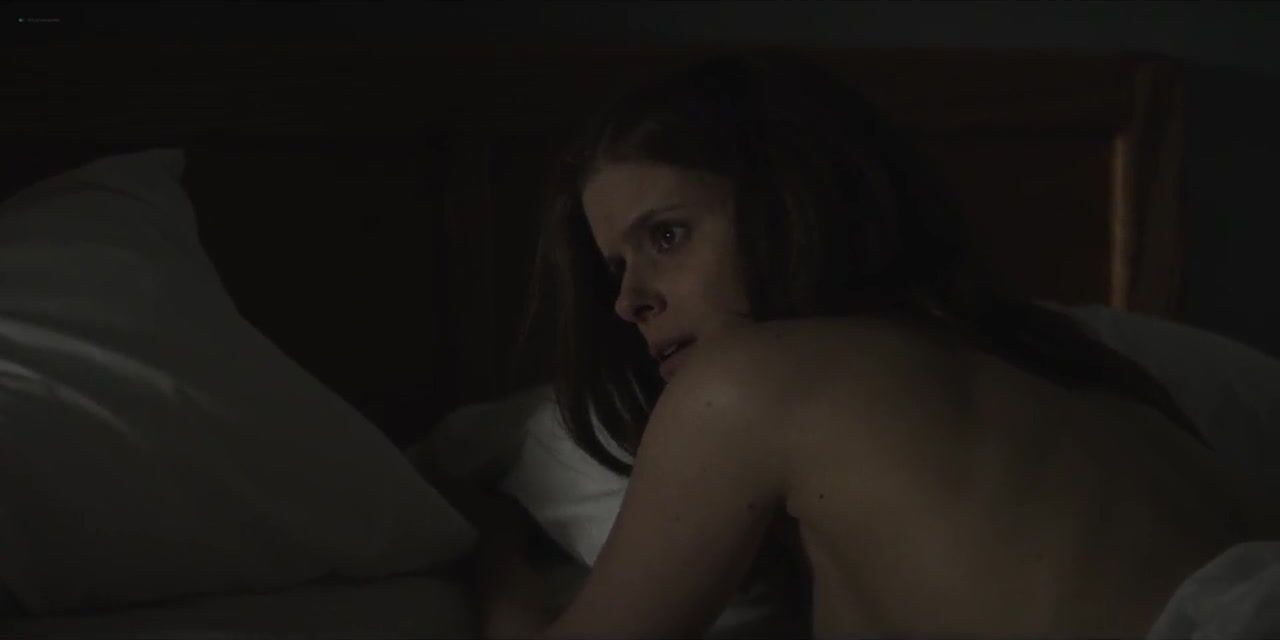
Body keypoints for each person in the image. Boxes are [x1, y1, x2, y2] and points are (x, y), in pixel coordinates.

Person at [470, 49, 1278, 638]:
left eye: (668, 235)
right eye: (616, 266)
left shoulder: (744, 382)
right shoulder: (1075, 369)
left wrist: (497, 566)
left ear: (793, 200)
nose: (626, 300)